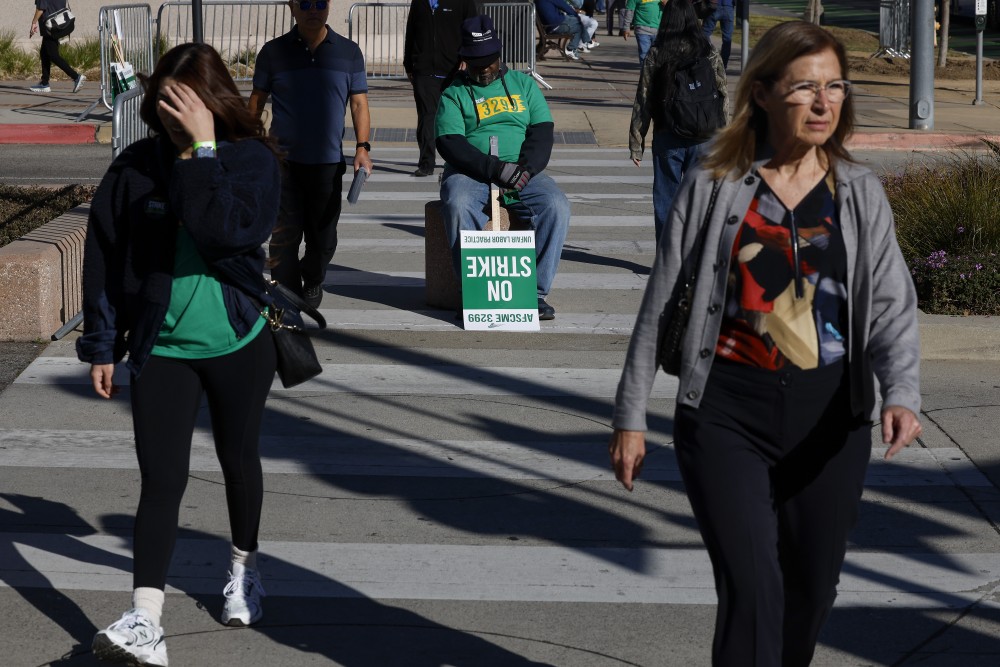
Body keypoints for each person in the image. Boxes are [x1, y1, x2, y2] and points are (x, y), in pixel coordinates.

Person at [609, 21, 923, 667]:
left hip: (832, 419)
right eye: (805, 86)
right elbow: (661, 297)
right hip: (725, 413)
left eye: (834, 86)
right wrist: (630, 414)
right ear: (761, 92)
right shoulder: (715, 183)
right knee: (753, 592)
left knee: (810, 591)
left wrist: (902, 390)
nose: (822, 102)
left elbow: (891, 304)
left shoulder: (858, 192)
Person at [77, 42, 282, 666]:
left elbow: (228, 232)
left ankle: (244, 570)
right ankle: (145, 620)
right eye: (162, 104)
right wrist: (102, 343)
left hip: (239, 341)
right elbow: (104, 257)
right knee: (161, 480)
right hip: (161, 348)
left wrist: (201, 151)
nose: (168, 116)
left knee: (238, 460)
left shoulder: (252, 160)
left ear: (210, 98)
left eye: (181, 103)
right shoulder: (135, 166)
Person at [436, 15, 570, 320]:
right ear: (464, 59)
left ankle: (533, 292)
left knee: (556, 206)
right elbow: (450, 141)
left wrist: (526, 169)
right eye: (475, 61)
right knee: (456, 203)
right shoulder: (454, 92)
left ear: (500, 55)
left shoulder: (523, 84)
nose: (484, 67)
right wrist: (493, 169)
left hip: (521, 173)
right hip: (470, 173)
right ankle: (472, 290)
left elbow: (542, 131)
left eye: (489, 60)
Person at [249, 0, 374, 309]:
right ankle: (287, 300)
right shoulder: (273, 52)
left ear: (329, 6)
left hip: (328, 164)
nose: (313, 10)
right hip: (283, 162)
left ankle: (314, 276)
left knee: (323, 240)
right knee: (284, 237)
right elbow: (257, 100)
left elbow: (358, 104)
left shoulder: (349, 52)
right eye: (305, 3)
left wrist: (363, 147)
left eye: (320, 3)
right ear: (292, 7)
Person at [629, 0, 727, 243]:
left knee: (666, 199)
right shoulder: (708, 49)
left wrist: (636, 142)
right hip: (705, 135)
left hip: (668, 135)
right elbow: (722, 92)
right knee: (703, 199)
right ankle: (698, 255)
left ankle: (667, 256)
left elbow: (644, 99)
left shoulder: (657, 52)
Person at [403, 0, 480, 177]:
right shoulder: (419, 2)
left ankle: (461, 160)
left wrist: (469, 58)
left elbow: (472, 30)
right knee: (427, 117)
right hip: (424, 71)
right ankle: (426, 162)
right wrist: (408, 64)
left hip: (454, 70)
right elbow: (411, 31)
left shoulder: (463, 3)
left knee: (458, 117)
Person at [28, 0, 85, 94]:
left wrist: (33, 22)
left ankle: (76, 77)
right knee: (44, 53)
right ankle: (44, 83)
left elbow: (41, 8)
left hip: (51, 26)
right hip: (58, 24)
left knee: (53, 55)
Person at [621, 0, 664, 64]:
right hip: (642, 30)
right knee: (644, 54)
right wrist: (626, 28)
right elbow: (629, 11)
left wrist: (667, 4)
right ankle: (645, 72)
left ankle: (654, 72)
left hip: (659, 30)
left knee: (658, 56)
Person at [701, 0, 734, 69]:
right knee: (727, 39)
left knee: (705, 34)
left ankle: (707, 57)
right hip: (728, 6)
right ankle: (723, 65)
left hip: (714, 5)